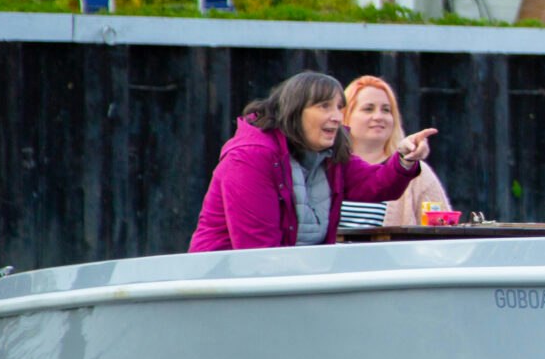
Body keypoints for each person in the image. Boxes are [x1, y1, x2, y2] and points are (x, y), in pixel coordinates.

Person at [190, 72, 437, 251]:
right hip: (224, 288)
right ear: (295, 111)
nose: (337, 117)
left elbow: (377, 184)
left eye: (340, 108)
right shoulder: (250, 157)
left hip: (295, 285)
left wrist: (404, 158)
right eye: (324, 106)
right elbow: (256, 253)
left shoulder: (331, 154)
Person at [338, 74, 450, 230]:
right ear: (344, 115)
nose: (378, 116)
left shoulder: (416, 172)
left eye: (386, 110)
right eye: (368, 109)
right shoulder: (329, 167)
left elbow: (443, 233)